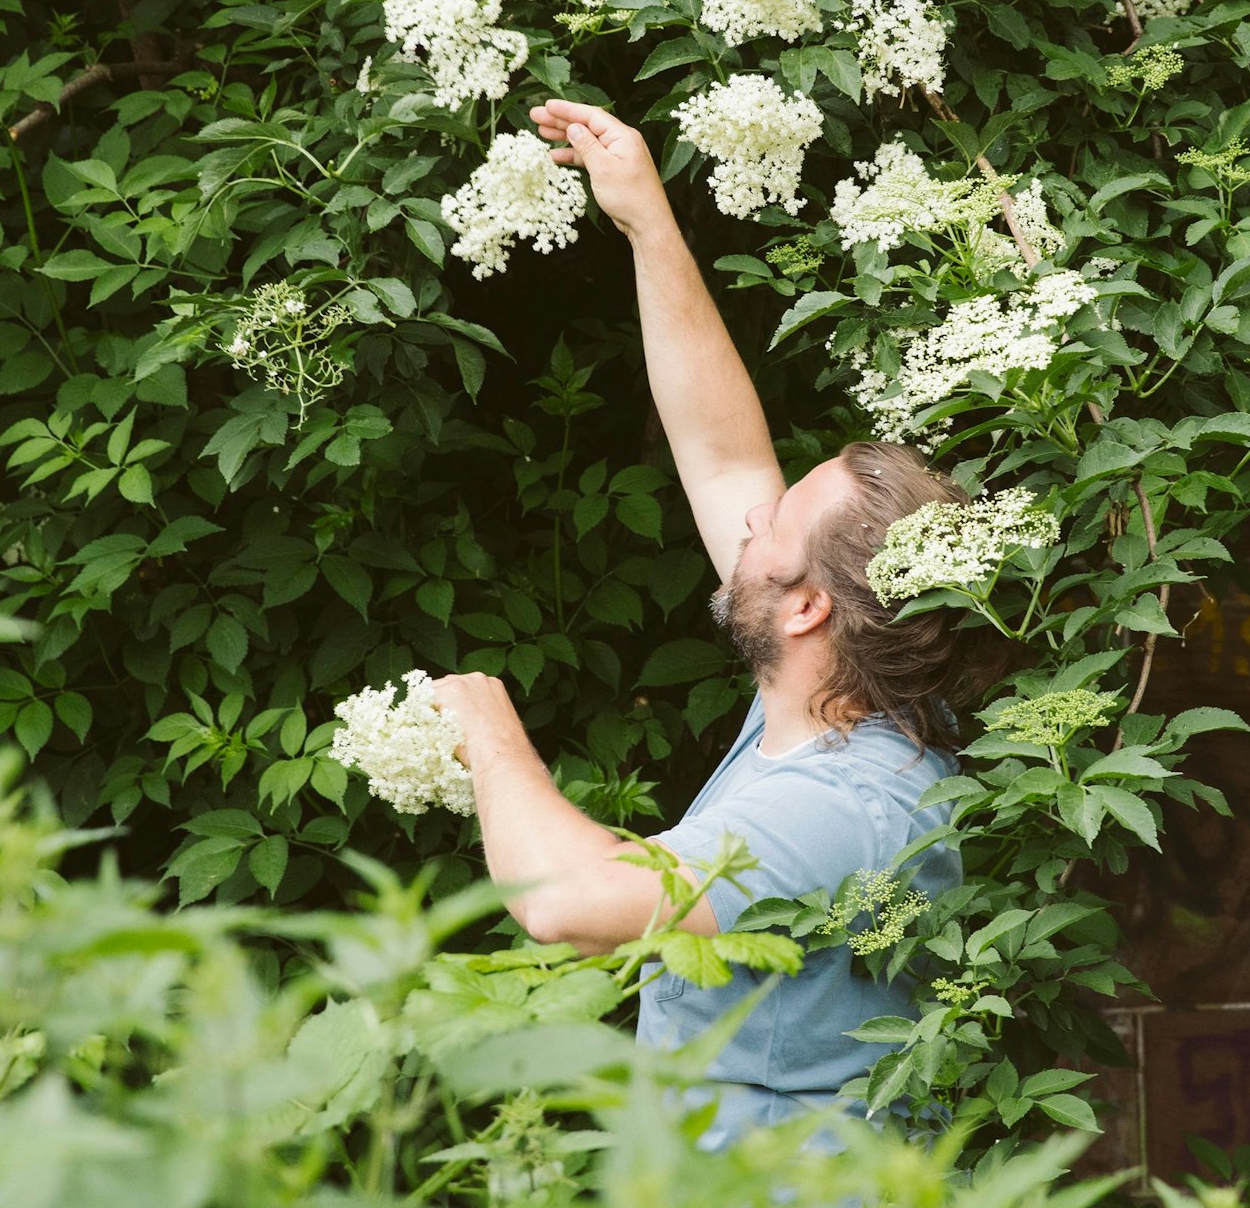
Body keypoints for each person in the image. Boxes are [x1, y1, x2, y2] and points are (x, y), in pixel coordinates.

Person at [428, 99, 1000, 1147]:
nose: (746, 513)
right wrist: (647, 219)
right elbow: (725, 451)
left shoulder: (847, 807)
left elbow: (570, 902)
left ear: (806, 605)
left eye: (771, 527)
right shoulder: (818, 712)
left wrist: (488, 732)